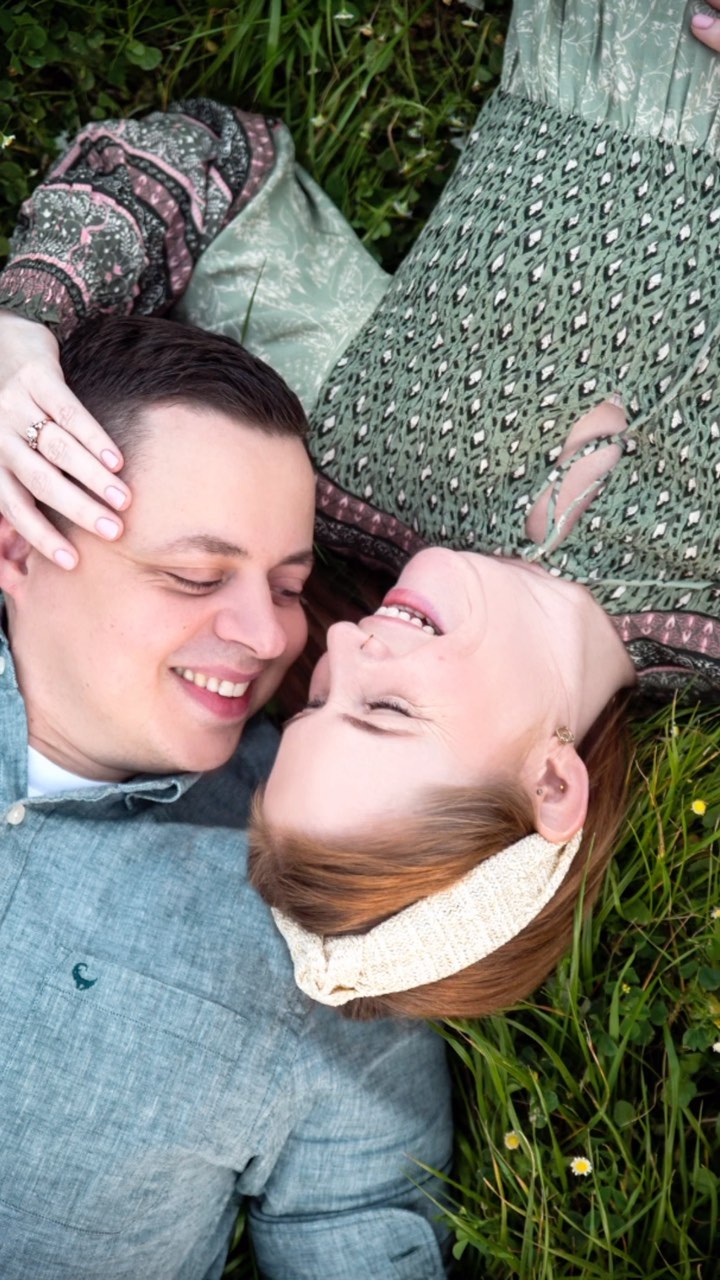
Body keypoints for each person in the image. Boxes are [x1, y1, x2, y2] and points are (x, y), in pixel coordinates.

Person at [0, 1, 719, 1018]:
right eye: (382, 710)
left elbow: (209, 170)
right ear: (553, 784)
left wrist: (26, 321)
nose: (345, 648)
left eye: (317, 697)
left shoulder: (344, 448)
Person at [0, 313, 453, 1279]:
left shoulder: (310, 902)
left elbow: (370, 1232)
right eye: (195, 574)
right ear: (19, 546)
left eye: (289, 586)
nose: (267, 635)